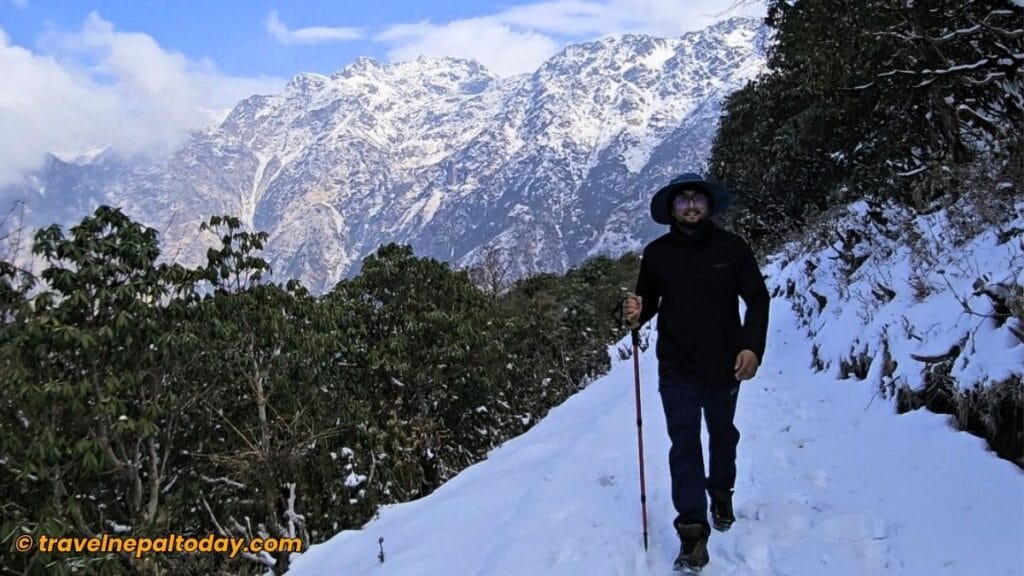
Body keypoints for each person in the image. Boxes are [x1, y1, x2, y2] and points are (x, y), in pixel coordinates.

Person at [623, 172, 769, 572]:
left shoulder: (732, 248)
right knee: (684, 444)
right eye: (682, 200)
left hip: (726, 363)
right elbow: (647, 304)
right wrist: (634, 313)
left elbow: (757, 298)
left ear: (708, 206)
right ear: (671, 209)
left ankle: (720, 490)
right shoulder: (657, 254)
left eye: (697, 199)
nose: (690, 205)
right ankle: (692, 534)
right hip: (677, 366)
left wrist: (752, 347)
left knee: (722, 433)